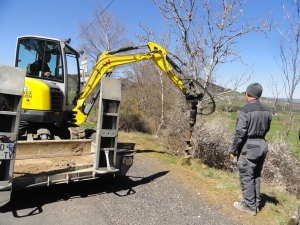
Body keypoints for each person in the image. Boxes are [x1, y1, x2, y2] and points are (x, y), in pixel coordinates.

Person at [228, 82, 272, 216]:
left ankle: (249, 206)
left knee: (246, 175)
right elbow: (267, 128)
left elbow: (240, 133)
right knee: (256, 175)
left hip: (250, 146)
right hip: (263, 145)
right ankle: (256, 203)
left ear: (247, 94)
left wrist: (233, 149)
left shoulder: (244, 110)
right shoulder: (267, 110)